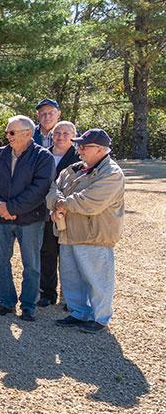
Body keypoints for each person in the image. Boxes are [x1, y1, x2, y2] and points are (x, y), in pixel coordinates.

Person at [48, 129, 125, 334]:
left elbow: (91, 201)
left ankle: (100, 318)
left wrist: (62, 204)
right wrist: (57, 202)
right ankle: (78, 313)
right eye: (79, 145)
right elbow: (53, 189)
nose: (79, 150)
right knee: (71, 277)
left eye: (84, 146)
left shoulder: (112, 173)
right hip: (68, 233)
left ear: (100, 149)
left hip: (94, 235)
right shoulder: (73, 169)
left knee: (97, 278)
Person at [0, 115, 55, 321]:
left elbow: (39, 189)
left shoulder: (43, 157)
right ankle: (6, 303)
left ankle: (29, 306)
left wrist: (12, 208)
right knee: (0, 263)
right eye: (7, 132)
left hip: (30, 219)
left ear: (28, 134)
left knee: (31, 265)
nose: (8, 136)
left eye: (11, 132)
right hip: (2, 219)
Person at [39, 120, 81, 307]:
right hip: (46, 213)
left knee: (69, 255)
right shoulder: (43, 155)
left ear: (73, 136)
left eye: (66, 133)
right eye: (57, 133)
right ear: (51, 136)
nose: (61, 136)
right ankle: (47, 293)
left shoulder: (80, 158)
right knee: (47, 253)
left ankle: (70, 297)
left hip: (70, 213)